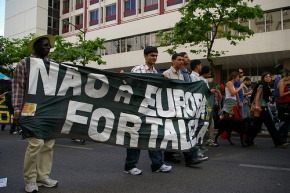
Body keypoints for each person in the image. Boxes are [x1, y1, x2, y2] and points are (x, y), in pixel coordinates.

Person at [12, 34, 58, 193]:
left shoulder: (53, 65)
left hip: (48, 110)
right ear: (36, 46)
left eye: (49, 45)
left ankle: (43, 176)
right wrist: (17, 110)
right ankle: (30, 179)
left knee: (48, 144)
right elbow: (18, 87)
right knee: (36, 143)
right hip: (30, 109)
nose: (48, 48)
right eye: (45, 45)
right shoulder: (24, 64)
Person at [124, 46, 172, 175]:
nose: (154, 58)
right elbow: (130, 86)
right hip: (137, 109)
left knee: (154, 136)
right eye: (152, 55)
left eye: (156, 55)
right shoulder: (138, 69)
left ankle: (157, 164)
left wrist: (164, 80)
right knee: (135, 137)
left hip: (151, 110)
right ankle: (129, 166)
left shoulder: (156, 73)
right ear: (145, 56)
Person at [245, 72, 289, 147]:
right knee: (271, 126)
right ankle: (279, 142)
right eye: (266, 76)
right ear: (263, 78)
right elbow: (257, 96)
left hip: (263, 108)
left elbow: (264, 96)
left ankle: (248, 141)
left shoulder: (266, 85)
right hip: (261, 108)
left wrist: (270, 98)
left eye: (269, 76)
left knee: (256, 127)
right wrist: (257, 106)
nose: (268, 78)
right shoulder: (262, 85)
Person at [199, 66, 218, 147]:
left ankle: (208, 139)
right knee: (206, 123)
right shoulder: (200, 80)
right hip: (203, 106)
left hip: (206, 106)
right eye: (209, 73)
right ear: (205, 72)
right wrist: (210, 92)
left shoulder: (205, 80)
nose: (210, 75)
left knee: (211, 123)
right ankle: (205, 140)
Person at [276, 68, 290, 143]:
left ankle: (283, 136)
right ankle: (282, 136)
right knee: (285, 121)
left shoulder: (283, 83)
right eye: (289, 77)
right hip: (283, 104)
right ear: (286, 76)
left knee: (286, 121)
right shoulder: (281, 83)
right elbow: (281, 95)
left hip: (285, 104)